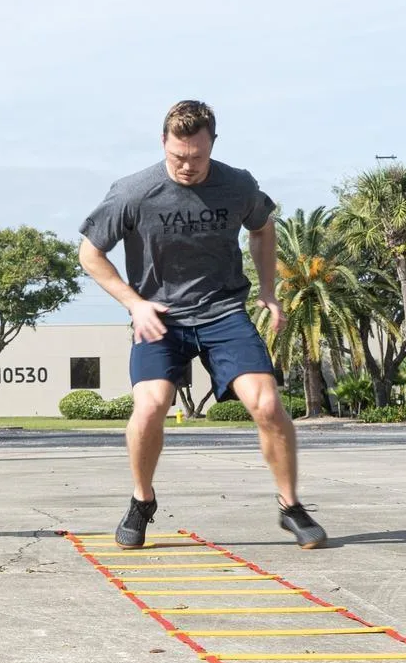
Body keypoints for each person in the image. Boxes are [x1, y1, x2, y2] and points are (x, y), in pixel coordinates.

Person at [78, 100, 326, 550]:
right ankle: (141, 500)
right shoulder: (133, 193)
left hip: (223, 311)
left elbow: (263, 228)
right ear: (163, 143)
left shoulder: (237, 185)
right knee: (151, 406)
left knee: (268, 405)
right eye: (178, 157)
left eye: (197, 156)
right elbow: (90, 254)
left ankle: (291, 506)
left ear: (212, 143)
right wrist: (135, 304)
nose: (188, 166)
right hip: (160, 316)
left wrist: (267, 290)